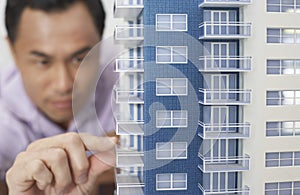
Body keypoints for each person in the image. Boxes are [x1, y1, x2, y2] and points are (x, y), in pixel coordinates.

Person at [0, 0, 118, 194]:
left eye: (79, 58)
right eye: (42, 61)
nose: (63, 84)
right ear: (12, 50)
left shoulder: (137, 75)